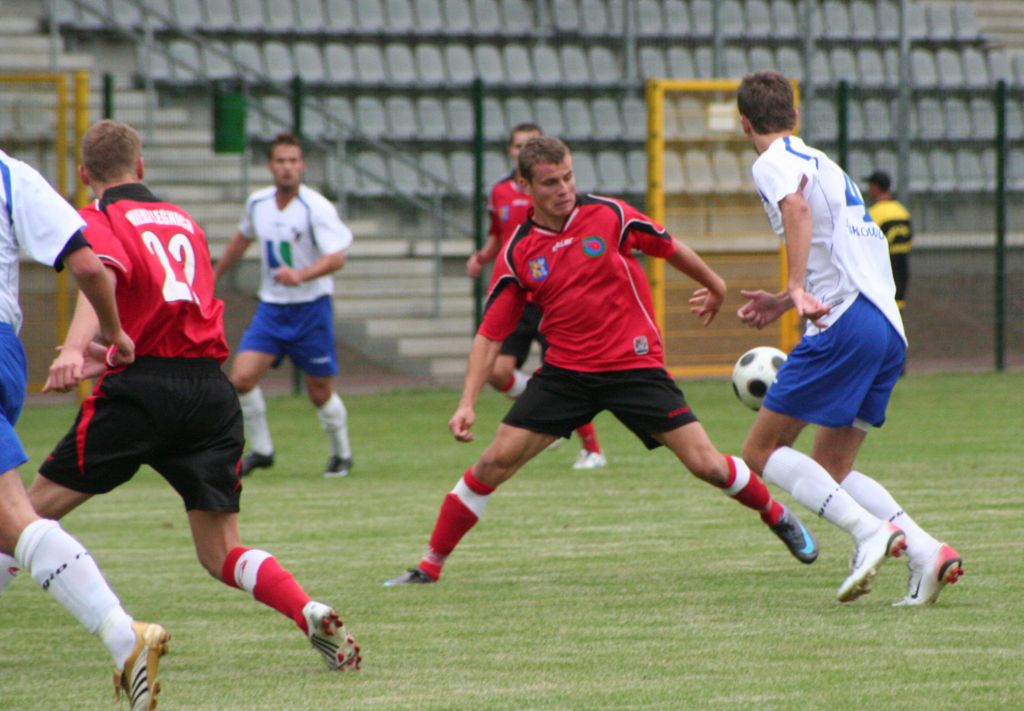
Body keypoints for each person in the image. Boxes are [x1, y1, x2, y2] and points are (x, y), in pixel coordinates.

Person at [0, 121, 360, 678]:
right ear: (141, 167)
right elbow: (172, 306)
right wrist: (113, 352)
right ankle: (304, 608)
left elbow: (106, 274)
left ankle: (117, 631)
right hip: (209, 394)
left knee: (22, 517)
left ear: (84, 176)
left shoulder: (100, 217)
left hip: (143, 392)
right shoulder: (184, 221)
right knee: (221, 553)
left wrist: (76, 348)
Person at [385, 136, 819, 586]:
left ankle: (775, 513)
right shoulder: (518, 252)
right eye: (550, 182)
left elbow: (668, 246)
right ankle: (429, 565)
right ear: (525, 186)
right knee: (495, 460)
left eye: (568, 177)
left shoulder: (609, 216)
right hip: (567, 374)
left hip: (633, 367)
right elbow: (490, 334)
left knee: (706, 464)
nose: (564, 189)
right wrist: (466, 402)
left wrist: (716, 285)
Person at [735, 71, 962, 605]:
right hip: (886, 327)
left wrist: (794, 286)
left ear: (745, 123)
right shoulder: (826, 164)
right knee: (833, 469)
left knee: (761, 451)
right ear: (795, 115)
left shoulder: (771, 162)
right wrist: (783, 296)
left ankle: (870, 533)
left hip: (846, 320)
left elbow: (796, 209)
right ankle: (929, 553)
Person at [0, 146, 170, 710]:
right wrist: (118, 334)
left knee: (12, 514)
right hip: (5, 348)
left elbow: (99, 262)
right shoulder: (11, 174)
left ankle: (124, 635)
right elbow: (88, 264)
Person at [213, 132, 354, 478]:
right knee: (242, 378)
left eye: (293, 161)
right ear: (270, 166)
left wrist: (302, 275)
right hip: (272, 309)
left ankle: (342, 453)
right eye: (281, 161)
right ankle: (262, 449)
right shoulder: (258, 203)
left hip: (311, 308)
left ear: (302, 166)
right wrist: (212, 277)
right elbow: (242, 238)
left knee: (319, 392)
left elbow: (337, 258)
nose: (287, 168)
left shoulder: (315, 207)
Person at [467, 123, 606, 470]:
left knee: (566, 375)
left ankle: (592, 449)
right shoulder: (498, 192)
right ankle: (544, 409)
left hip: (550, 300)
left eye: (528, 144)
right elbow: (498, 235)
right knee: (498, 372)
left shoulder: (560, 192)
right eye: (517, 145)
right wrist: (483, 257)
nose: (521, 150)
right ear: (511, 152)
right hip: (518, 296)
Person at [864, 170, 912, 312]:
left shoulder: (873, 214)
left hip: (882, 273)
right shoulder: (903, 212)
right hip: (902, 271)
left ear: (875, 187)